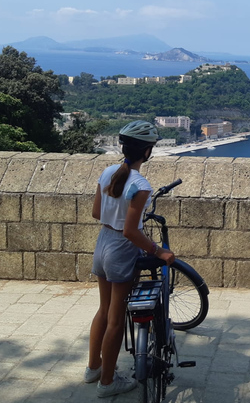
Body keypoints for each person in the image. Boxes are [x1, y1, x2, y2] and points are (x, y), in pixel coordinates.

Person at [85, 120, 176, 398]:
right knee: (116, 319)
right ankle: (108, 383)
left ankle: (93, 368)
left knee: (103, 310)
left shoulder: (108, 172)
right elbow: (131, 231)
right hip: (122, 249)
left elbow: (97, 213)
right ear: (146, 152)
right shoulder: (141, 184)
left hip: (102, 242)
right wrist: (158, 251)